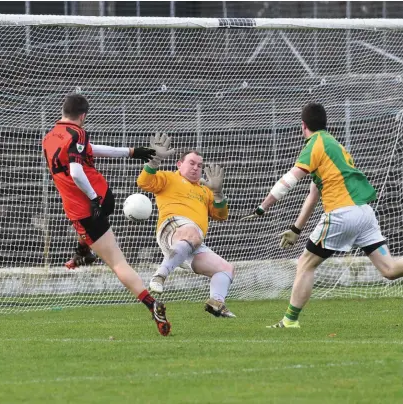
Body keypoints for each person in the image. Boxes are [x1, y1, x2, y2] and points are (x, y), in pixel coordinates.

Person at [243, 102, 403, 328]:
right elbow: (314, 194)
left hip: (342, 212)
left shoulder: (314, 144)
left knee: (305, 264)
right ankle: (289, 320)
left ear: (303, 125)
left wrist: (262, 207)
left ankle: (289, 321)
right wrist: (296, 229)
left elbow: (288, 181)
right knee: (389, 269)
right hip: (365, 213)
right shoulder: (335, 147)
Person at [42, 93, 172, 336]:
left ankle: (151, 305)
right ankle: (83, 253)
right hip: (92, 202)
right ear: (83, 116)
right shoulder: (77, 133)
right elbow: (80, 168)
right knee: (105, 250)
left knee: (116, 261)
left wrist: (131, 152)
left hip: (86, 207)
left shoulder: (49, 137)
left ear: (63, 111)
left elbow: (82, 162)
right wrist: (94, 197)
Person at [137, 139, 236, 318]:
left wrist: (218, 193)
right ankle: (159, 275)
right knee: (192, 231)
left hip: (191, 242)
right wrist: (154, 161)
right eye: (191, 163)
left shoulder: (205, 190)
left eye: (200, 165)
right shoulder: (168, 178)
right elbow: (143, 182)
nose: (196, 167)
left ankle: (216, 302)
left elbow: (221, 216)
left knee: (226, 268)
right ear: (179, 164)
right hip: (172, 229)